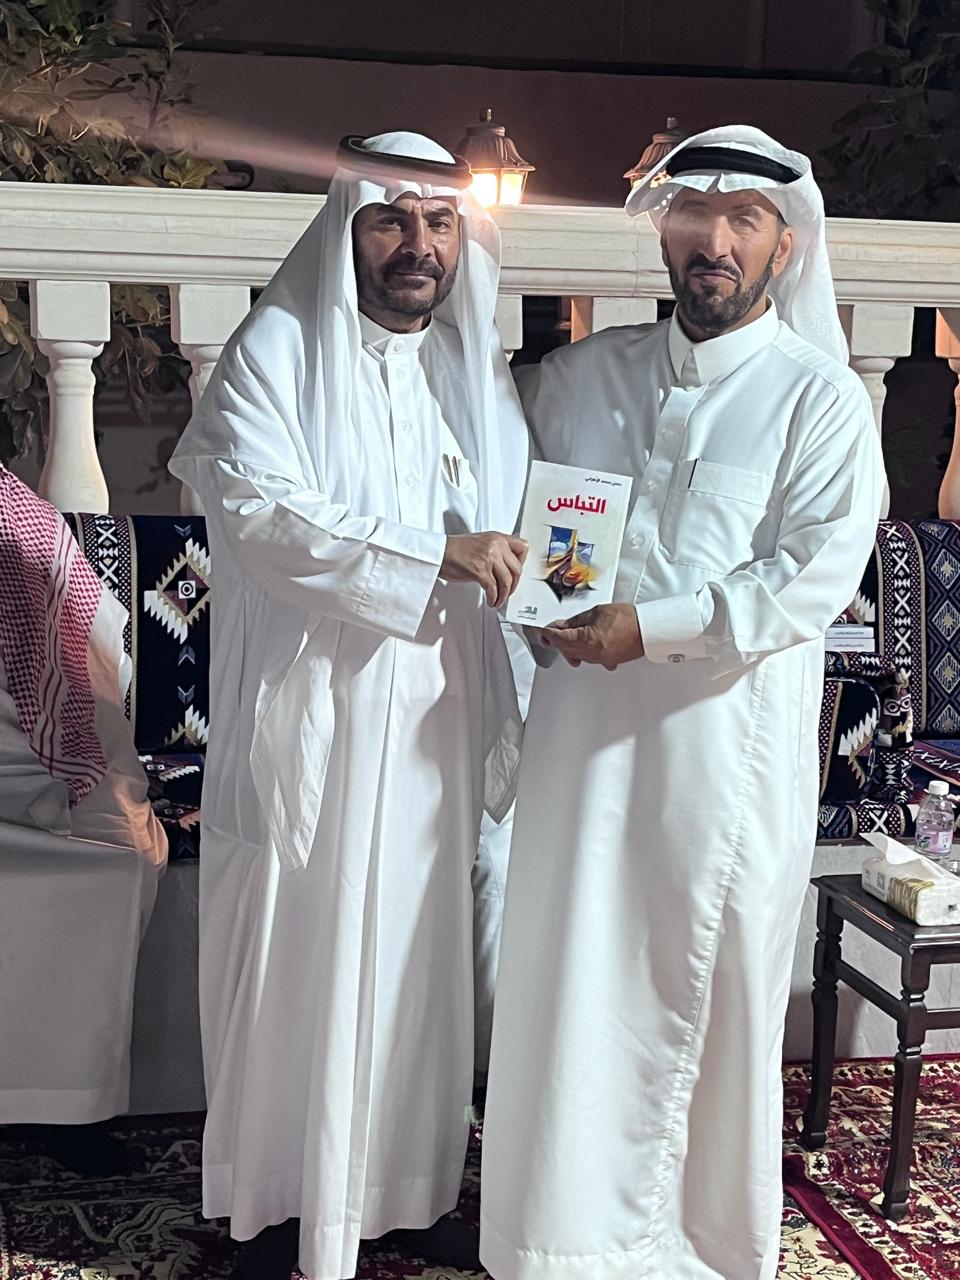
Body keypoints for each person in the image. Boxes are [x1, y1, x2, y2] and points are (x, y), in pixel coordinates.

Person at [479, 125, 885, 1280]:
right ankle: (552, 1241)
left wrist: (642, 627)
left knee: (701, 992)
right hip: (581, 745)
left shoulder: (820, 400)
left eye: (743, 220)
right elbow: (513, 504)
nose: (714, 240)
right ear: (664, 232)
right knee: (569, 978)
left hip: (722, 757)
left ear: (784, 245)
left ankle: (691, 1249)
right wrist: (538, 605)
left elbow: (807, 578)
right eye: (695, 215)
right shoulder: (580, 377)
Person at [168, 131, 529, 1280]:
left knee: (419, 954)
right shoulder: (275, 350)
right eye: (391, 219)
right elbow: (259, 512)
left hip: (433, 719)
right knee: (303, 952)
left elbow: (520, 530)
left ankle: (404, 1191)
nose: (418, 244)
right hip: (317, 715)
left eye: (439, 222)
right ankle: (281, 1205)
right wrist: (432, 555)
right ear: (347, 229)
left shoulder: (465, 373)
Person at [0, 462, 166, 1136]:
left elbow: (82, 664)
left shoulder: (13, 514)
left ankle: (72, 1110)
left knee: (122, 857)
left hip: (47, 759)